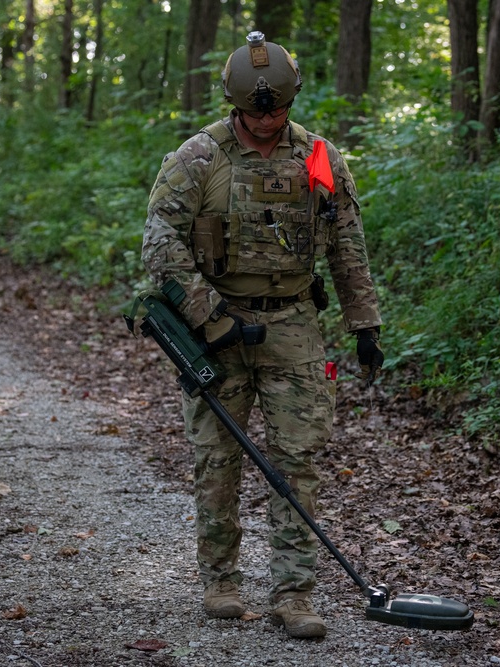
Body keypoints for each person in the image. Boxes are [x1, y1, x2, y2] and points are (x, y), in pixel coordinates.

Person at [141, 30, 384, 639]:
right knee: (217, 460)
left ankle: (294, 593)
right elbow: (160, 244)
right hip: (218, 328)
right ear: (236, 103)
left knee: (299, 461)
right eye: (257, 111)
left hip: (295, 326)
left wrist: (364, 325)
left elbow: (347, 244)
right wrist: (210, 318)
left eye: (278, 109)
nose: (269, 119)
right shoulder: (199, 157)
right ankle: (220, 581)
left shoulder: (320, 157)